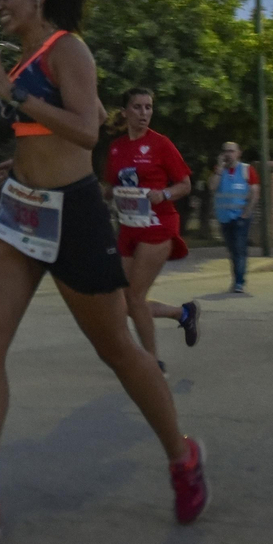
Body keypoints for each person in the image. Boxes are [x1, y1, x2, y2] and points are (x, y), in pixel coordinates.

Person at [0, 0, 208, 541]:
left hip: (72, 215)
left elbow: (89, 130)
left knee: (118, 348)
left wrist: (13, 95)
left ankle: (183, 455)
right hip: (19, 208)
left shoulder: (69, 49)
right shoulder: (31, 59)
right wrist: (20, 156)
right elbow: (83, 113)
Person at [101, 87, 199, 369]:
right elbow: (110, 186)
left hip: (158, 224)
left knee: (134, 297)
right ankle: (183, 313)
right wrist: (105, 193)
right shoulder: (117, 147)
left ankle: (151, 362)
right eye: (137, 107)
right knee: (124, 302)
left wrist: (164, 194)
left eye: (148, 107)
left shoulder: (161, 144)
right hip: (128, 227)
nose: (144, 113)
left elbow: (185, 184)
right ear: (126, 112)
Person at [210, 142, 259, 294]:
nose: (228, 154)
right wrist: (218, 169)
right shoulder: (219, 171)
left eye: (231, 151)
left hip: (240, 217)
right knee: (232, 251)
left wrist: (246, 212)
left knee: (239, 249)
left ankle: (239, 282)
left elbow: (255, 192)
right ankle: (236, 279)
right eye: (225, 151)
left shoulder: (246, 170)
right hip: (224, 217)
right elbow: (212, 187)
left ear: (238, 153)